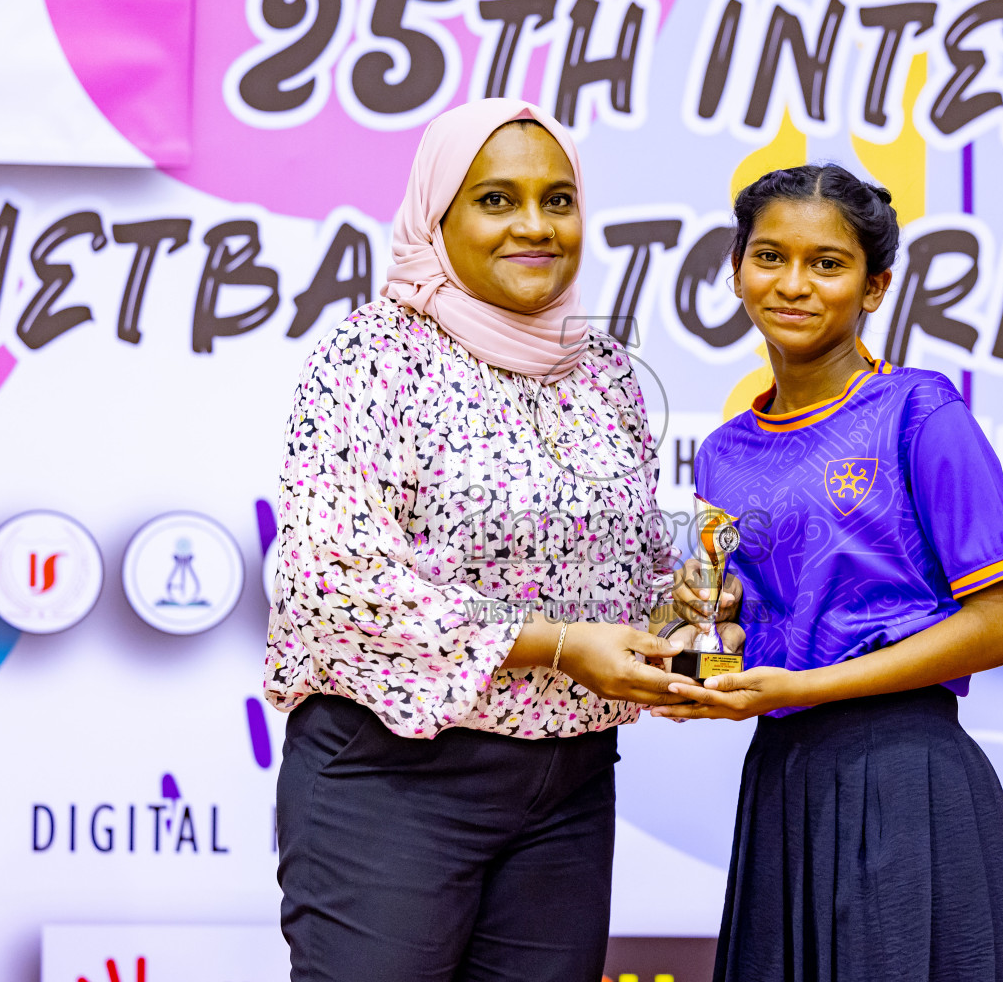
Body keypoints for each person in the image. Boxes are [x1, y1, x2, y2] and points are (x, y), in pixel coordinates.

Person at [265, 98, 696, 982]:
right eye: (497, 200)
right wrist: (561, 647)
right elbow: (337, 578)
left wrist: (683, 610)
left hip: (570, 786)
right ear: (439, 217)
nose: (534, 227)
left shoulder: (603, 372)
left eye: (558, 200)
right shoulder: (372, 357)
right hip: (397, 774)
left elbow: (631, 562)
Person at [660, 165, 1003, 982]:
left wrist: (805, 688)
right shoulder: (726, 453)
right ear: (735, 271)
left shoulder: (921, 415)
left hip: (904, 774)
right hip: (780, 777)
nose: (792, 284)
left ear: (876, 288)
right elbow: (745, 624)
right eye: (769, 256)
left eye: (827, 264)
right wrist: (695, 615)